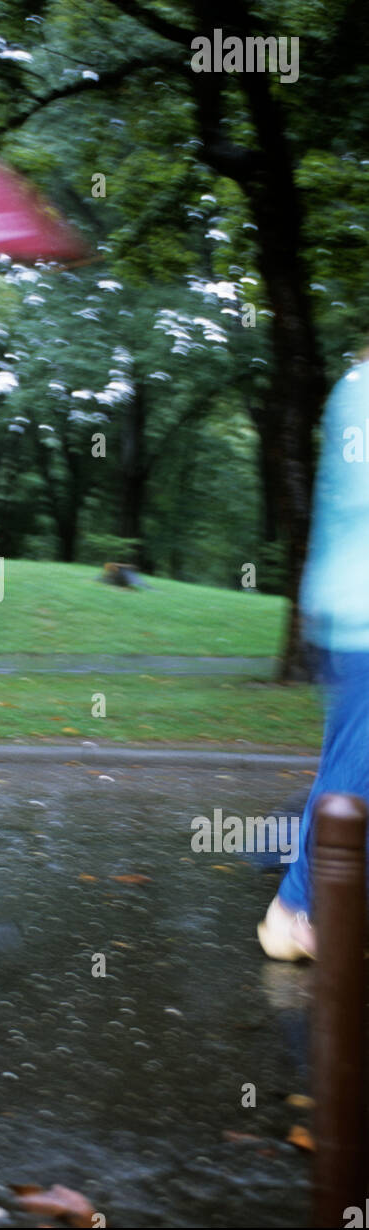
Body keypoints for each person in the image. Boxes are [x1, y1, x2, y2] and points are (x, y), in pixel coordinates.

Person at [258, 352, 369, 960]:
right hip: (362, 616)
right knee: (356, 771)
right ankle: (296, 908)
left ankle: (309, 904)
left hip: (347, 611)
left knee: (349, 764)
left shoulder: (354, 388)